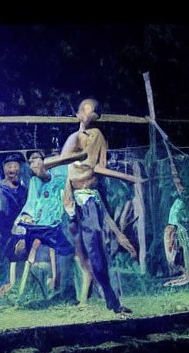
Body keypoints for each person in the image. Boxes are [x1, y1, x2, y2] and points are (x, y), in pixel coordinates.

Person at [59, 99, 143, 317]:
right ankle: (87, 298)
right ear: (78, 114)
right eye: (84, 109)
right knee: (81, 256)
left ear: (96, 115)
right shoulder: (74, 138)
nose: (88, 113)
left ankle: (111, 301)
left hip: (89, 199)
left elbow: (100, 168)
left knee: (96, 251)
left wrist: (127, 177)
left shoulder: (97, 137)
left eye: (92, 110)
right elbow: (61, 163)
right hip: (71, 202)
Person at [9, 150, 76, 301]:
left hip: (53, 226)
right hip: (35, 226)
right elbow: (30, 205)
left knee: (66, 252)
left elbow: (65, 198)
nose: (33, 163)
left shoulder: (59, 177)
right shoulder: (34, 182)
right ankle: (22, 292)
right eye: (30, 161)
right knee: (20, 250)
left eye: (36, 159)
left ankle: (65, 293)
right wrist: (23, 222)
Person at [0, 154, 28, 297]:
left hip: (21, 229)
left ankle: (17, 286)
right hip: (4, 231)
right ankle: (6, 286)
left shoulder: (23, 189)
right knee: (7, 257)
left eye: (15, 166)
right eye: (9, 166)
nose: (12, 169)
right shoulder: (0, 189)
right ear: (3, 169)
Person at [163, 176, 189, 287]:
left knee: (181, 251)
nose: (179, 188)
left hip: (178, 229)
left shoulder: (186, 202)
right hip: (171, 228)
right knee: (170, 254)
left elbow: (186, 218)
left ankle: (187, 274)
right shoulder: (177, 200)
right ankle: (179, 272)